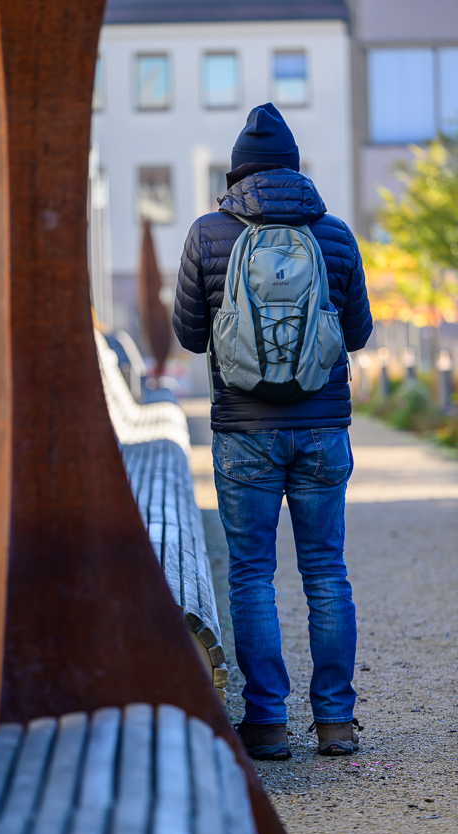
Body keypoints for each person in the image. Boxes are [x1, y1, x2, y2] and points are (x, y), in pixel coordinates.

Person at [173, 103, 372, 760]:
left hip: (244, 432)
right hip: (322, 429)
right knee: (326, 571)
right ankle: (336, 722)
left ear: (238, 174)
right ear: (294, 169)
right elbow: (357, 334)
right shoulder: (334, 234)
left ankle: (267, 722)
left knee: (252, 574)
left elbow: (190, 335)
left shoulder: (208, 233)